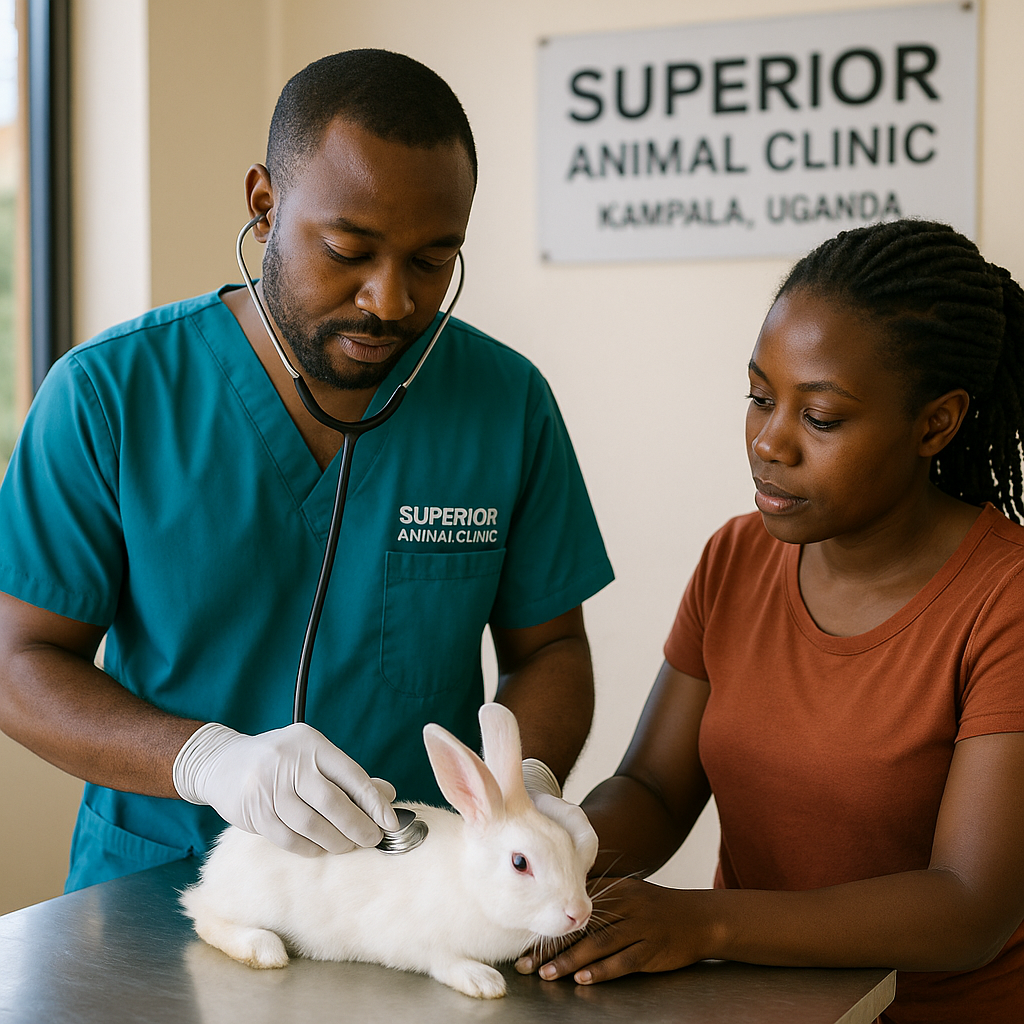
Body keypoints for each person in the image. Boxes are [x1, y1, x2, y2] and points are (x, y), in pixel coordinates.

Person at [0, 50, 613, 892]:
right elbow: (18, 660)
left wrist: (524, 792)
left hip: (410, 897)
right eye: (347, 249)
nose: (390, 300)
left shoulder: (506, 405)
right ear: (264, 204)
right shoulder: (109, 395)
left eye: (433, 261)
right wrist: (205, 762)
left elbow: (551, 651)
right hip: (159, 892)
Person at [520, 220, 1024, 1023]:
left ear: (936, 423)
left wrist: (702, 920)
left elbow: (970, 906)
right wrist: (534, 857)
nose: (768, 442)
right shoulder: (736, 558)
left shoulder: (1006, 599)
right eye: (759, 396)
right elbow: (653, 789)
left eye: (819, 418)